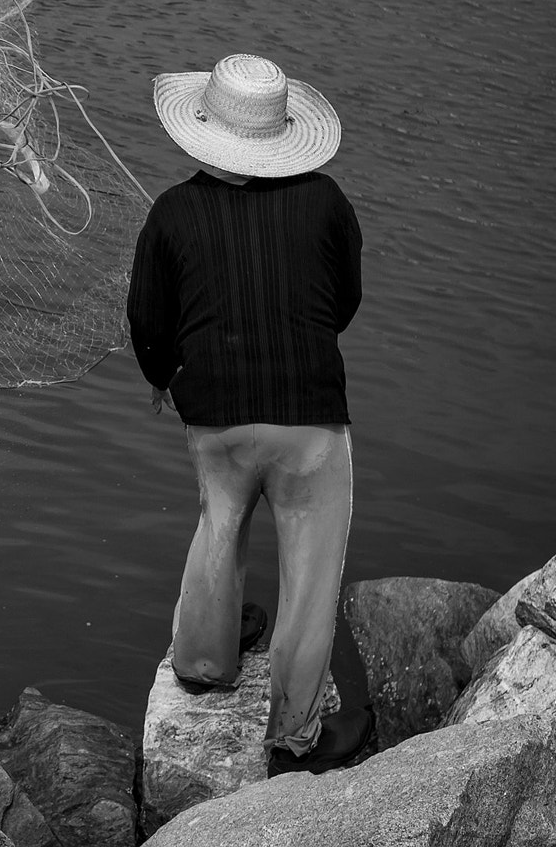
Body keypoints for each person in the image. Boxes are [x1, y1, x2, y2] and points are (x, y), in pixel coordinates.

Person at [125, 53, 373, 777]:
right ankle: (295, 737)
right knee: (310, 567)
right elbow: (344, 298)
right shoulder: (326, 200)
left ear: (204, 129)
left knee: (219, 524)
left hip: (216, 415)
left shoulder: (172, 210)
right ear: (284, 134)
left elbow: (146, 318)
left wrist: (160, 375)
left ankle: (205, 662)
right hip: (310, 419)